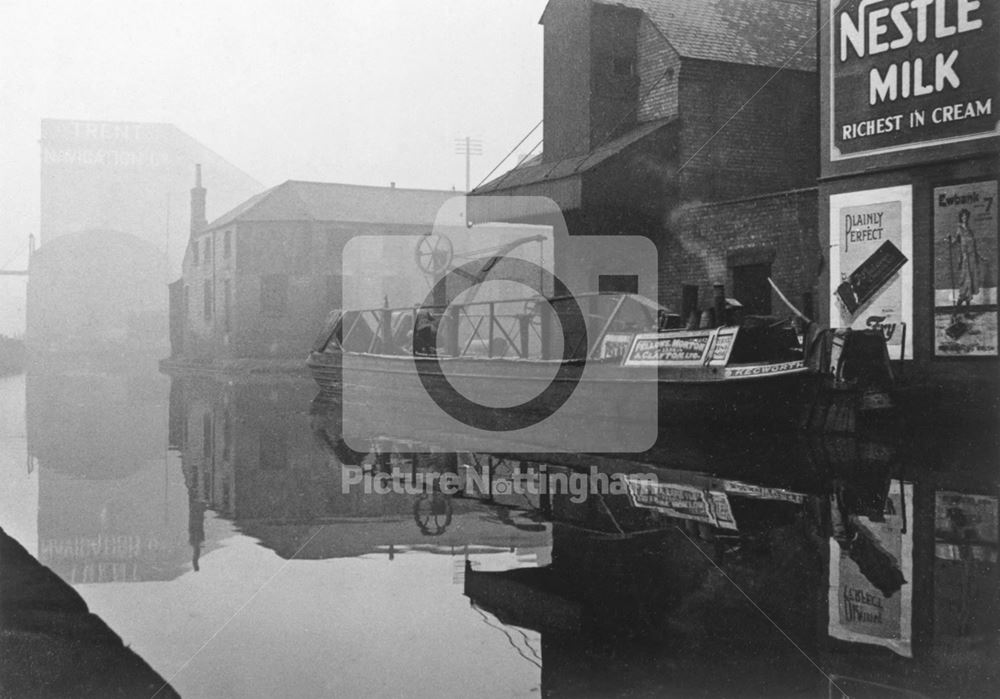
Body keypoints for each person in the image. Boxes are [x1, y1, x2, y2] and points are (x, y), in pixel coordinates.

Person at [948, 208, 985, 308]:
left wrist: (980, 257)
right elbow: (955, 241)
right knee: (965, 282)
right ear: (961, 217)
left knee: (971, 282)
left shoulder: (970, 230)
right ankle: (955, 311)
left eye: (966, 216)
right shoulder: (959, 229)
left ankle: (967, 310)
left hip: (972, 258)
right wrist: (949, 239)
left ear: (968, 217)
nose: (964, 218)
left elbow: (974, 246)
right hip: (965, 258)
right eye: (963, 216)